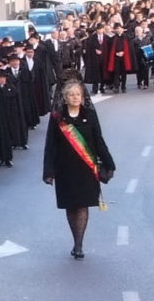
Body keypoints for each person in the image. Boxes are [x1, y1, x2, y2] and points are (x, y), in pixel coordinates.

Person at [43, 80, 115, 260]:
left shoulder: (89, 114)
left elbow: (98, 140)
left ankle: (78, 244)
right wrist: (48, 171)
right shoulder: (57, 117)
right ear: (65, 98)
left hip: (86, 168)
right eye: (72, 95)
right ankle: (75, 238)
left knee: (83, 205)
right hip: (65, 168)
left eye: (78, 95)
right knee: (71, 205)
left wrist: (109, 163)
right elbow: (50, 145)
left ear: (83, 98)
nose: (75, 98)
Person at [105, 23, 133, 94]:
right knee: (116, 72)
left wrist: (123, 52)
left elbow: (130, 48)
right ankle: (116, 86)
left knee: (124, 73)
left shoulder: (127, 37)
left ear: (122, 29)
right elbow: (110, 49)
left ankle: (123, 87)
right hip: (116, 57)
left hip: (124, 57)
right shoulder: (113, 38)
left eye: (119, 28)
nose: (118, 30)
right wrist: (116, 53)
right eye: (117, 28)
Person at [83, 24, 109, 95]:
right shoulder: (92, 38)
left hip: (104, 58)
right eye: (98, 29)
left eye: (101, 29)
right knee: (95, 74)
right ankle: (95, 88)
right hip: (95, 59)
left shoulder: (107, 38)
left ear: (103, 29)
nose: (100, 31)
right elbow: (89, 48)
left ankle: (102, 87)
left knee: (103, 73)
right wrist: (95, 50)